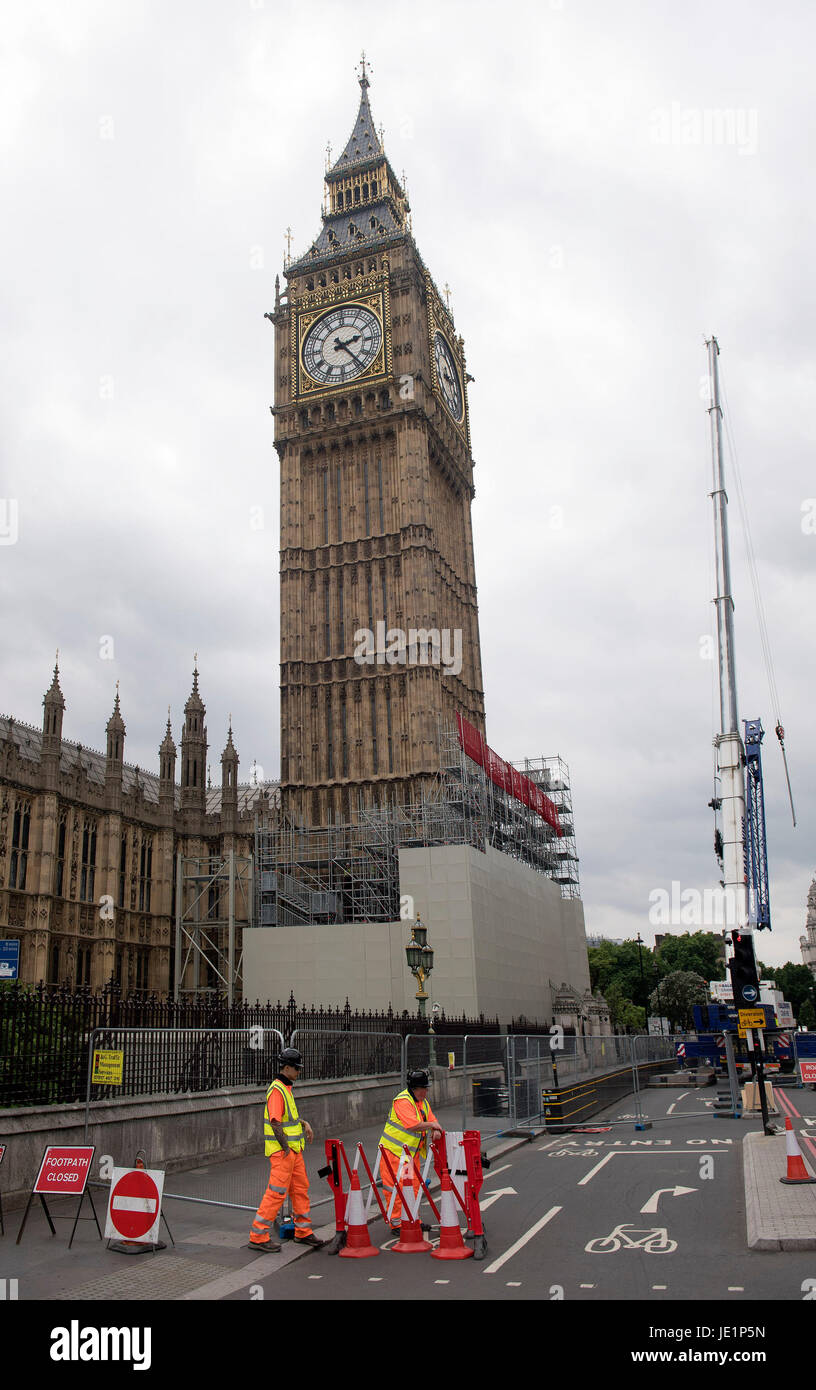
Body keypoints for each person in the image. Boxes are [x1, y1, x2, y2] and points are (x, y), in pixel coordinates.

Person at [249, 1046, 326, 1251]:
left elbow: (286, 1118)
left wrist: (303, 1123)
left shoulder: (286, 1088)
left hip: (292, 1150)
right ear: (287, 1067)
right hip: (284, 1152)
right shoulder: (277, 1089)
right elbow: (275, 1122)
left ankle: (303, 1231)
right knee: (276, 1193)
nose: (299, 1072)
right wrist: (285, 1149)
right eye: (297, 1068)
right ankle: (258, 1235)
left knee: (300, 1189)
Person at [378, 1068, 443, 1230]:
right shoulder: (402, 1101)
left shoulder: (422, 1103)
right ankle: (397, 1223)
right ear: (415, 1088)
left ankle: (413, 1220)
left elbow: (433, 1120)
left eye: (426, 1088)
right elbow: (413, 1125)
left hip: (408, 1155)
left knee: (412, 1187)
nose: (426, 1091)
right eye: (423, 1088)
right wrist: (432, 1126)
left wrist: (435, 1129)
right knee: (396, 1188)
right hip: (393, 1153)